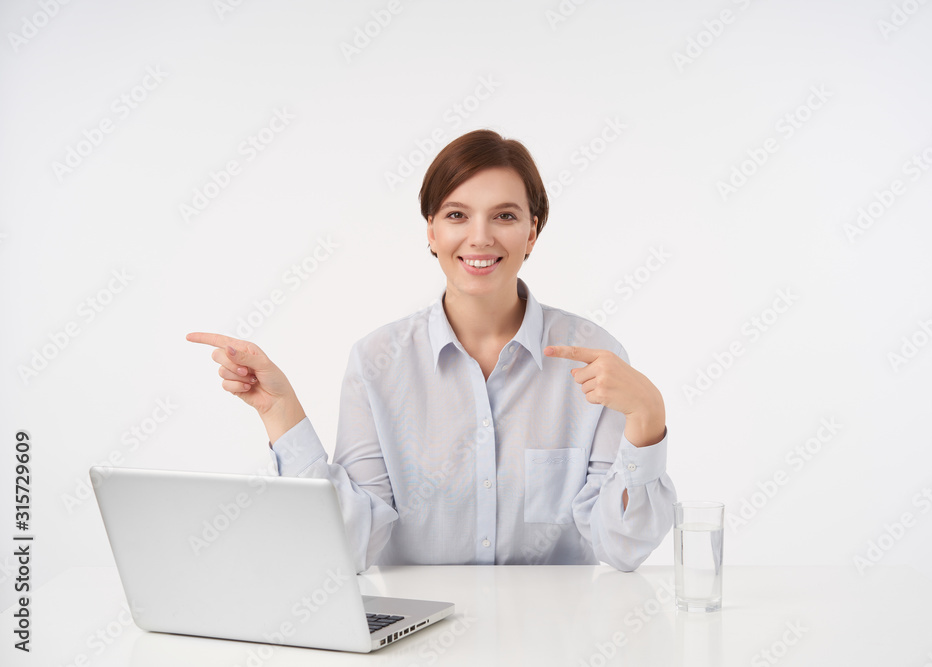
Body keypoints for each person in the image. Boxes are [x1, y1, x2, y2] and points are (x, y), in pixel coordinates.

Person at [188, 129, 676, 573]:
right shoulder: (377, 362)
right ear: (431, 231)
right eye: (457, 215)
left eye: (505, 216)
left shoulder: (593, 358)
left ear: (531, 233)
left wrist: (648, 416)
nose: (480, 237)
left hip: (555, 641)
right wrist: (279, 411)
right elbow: (350, 545)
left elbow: (622, 546)